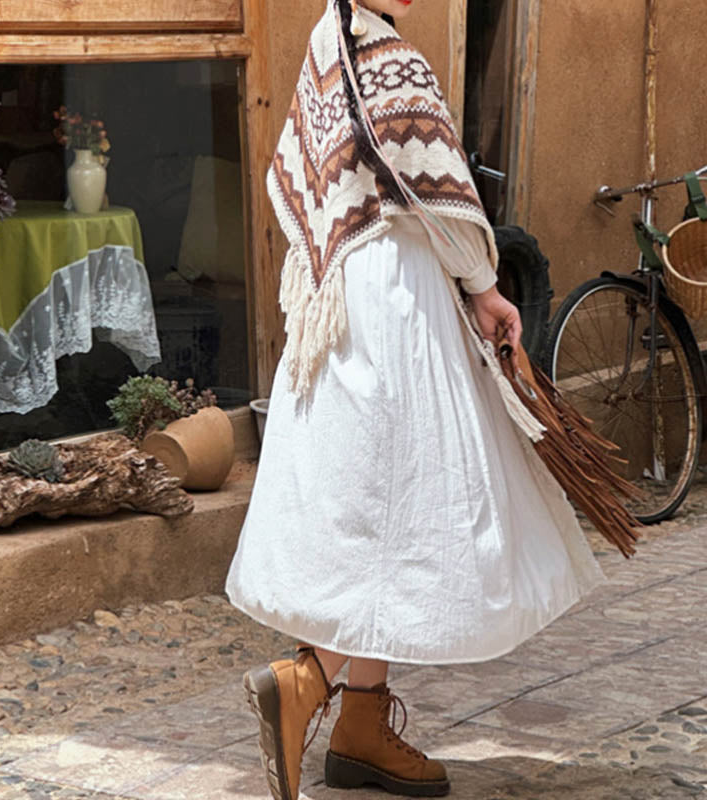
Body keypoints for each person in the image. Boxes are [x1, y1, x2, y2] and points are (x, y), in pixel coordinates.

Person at [225, 1, 605, 798]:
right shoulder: (392, 58)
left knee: (372, 495)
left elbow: (293, 173)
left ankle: (361, 724)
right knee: (416, 500)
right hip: (398, 300)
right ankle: (308, 683)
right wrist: (484, 286)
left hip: (344, 298)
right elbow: (444, 198)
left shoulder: (326, 48)